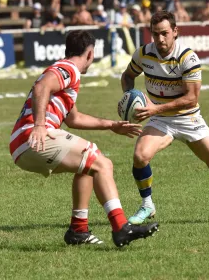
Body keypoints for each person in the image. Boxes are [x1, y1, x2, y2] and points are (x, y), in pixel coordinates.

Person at [10, 30, 159, 247]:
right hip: (33, 136)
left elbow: (74, 118)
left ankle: (78, 231)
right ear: (89, 54)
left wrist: (112, 125)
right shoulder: (68, 68)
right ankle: (121, 227)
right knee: (101, 162)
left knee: (87, 167)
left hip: (21, 145)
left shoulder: (65, 72)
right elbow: (42, 87)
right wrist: (40, 126)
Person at [120, 11, 209, 224]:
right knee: (140, 156)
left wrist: (154, 109)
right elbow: (128, 76)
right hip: (160, 120)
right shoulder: (143, 54)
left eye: (164, 33)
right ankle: (147, 205)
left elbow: (191, 99)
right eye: (155, 34)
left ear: (175, 32)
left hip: (189, 119)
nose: (159, 39)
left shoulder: (187, 58)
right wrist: (128, 96)